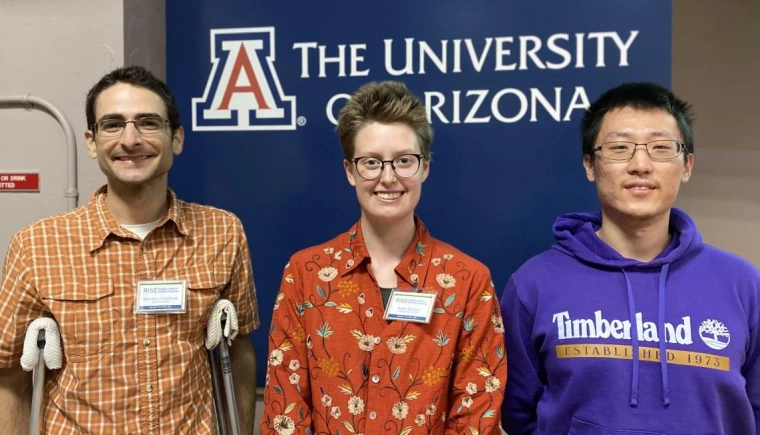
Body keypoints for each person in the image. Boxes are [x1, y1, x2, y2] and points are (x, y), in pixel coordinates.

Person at [0, 66, 259, 434]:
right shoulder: (37, 245)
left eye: (149, 123)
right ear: (91, 141)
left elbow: (238, 348)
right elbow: (10, 374)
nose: (131, 139)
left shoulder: (222, 232)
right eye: (112, 124)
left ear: (177, 138)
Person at [501, 82, 760, 434]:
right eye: (620, 148)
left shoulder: (743, 284)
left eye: (660, 148)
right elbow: (517, 416)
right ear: (590, 164)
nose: (641, 164)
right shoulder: (533, 284)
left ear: (687, 166)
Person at [261, 81, 506, 434]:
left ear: (425, 168)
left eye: (404, 161)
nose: (388, 178)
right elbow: (285, 410)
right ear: (350, 171)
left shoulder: (467, 280)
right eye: (371, 162)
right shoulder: (307, 273)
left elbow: (476, 411)